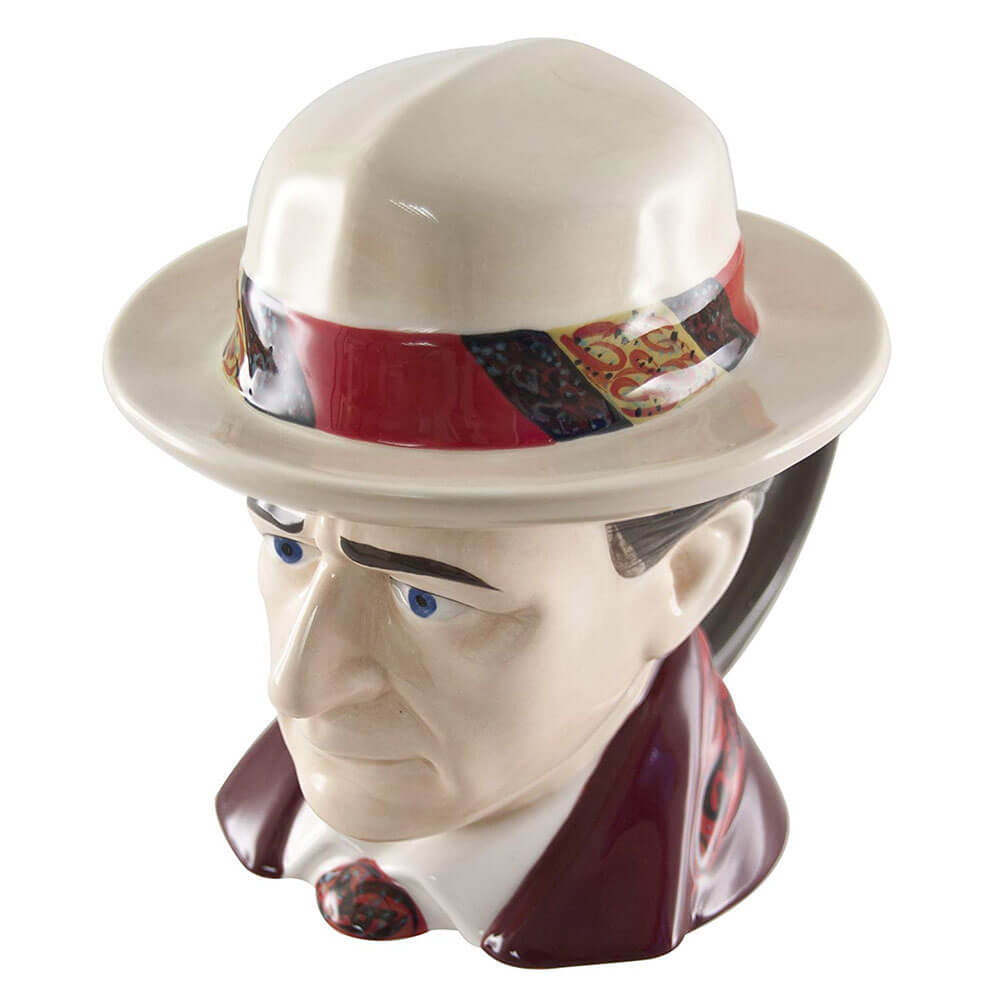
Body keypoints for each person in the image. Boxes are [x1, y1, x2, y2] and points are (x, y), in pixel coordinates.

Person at [104, 39, 888, 968]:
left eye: (426, 598)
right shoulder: (270, 804)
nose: (298, 684)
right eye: (287, 546)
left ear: (685, 575)